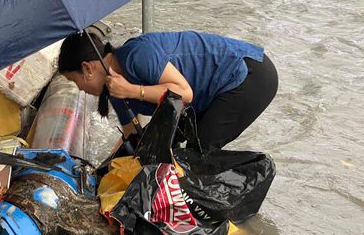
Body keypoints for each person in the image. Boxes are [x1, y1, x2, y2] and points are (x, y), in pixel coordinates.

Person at [58, 31, 278, 154]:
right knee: (170, 154)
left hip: (246, 75)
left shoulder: (136, 55)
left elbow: (184, 93)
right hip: (214, 93)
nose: (78, 88)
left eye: (73, 80)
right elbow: (131, 137)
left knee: (197, 154)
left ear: (87, 69)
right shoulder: (115, 89)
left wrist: (134, 90)